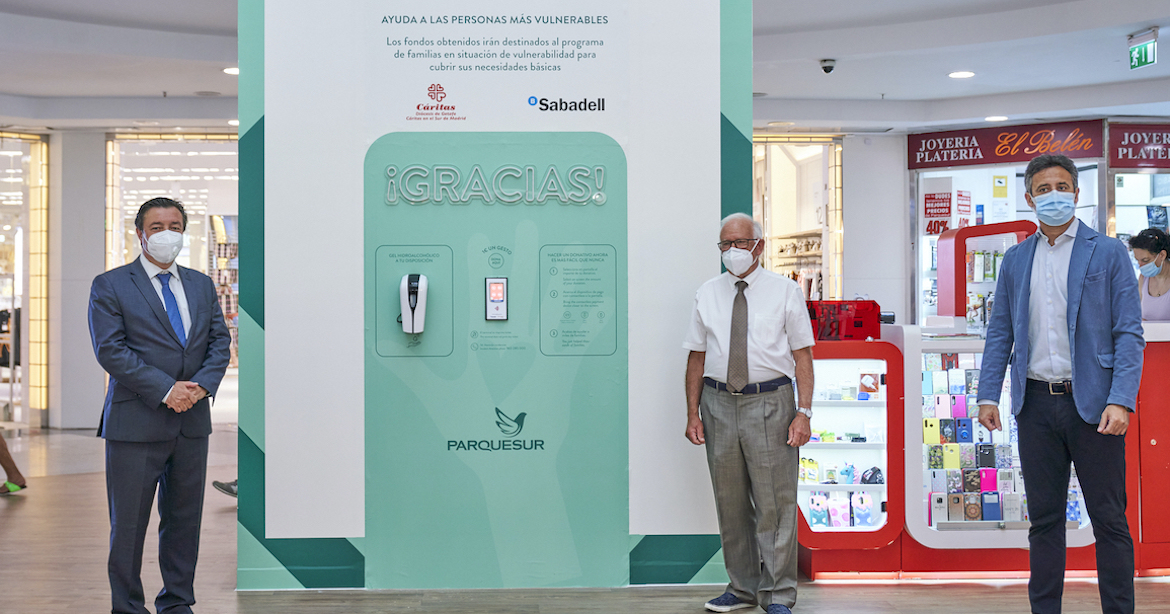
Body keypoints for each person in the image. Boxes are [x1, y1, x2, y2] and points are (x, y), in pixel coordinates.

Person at [977, 154, 1143, 614]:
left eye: (1063, 187)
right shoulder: (1015, 259)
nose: (1055, 195)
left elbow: (1129, 333)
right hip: (1034, 405)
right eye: (1044, 189)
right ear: (1030, 199)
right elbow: (1000, 332)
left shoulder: (1108, 252)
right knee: (1045, 522)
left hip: (1094, 406)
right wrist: (988, 394)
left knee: (1109, 520)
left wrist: (1121, 399)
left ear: (1076, 193)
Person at [89, 197, 231, 614]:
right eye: (157, 227)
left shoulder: (201, 284)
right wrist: (168, 390)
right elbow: (111, 350)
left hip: (191, 424)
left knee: (184, 522)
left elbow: (219, 342)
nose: (167, 234)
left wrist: (200, 388)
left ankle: (177, 602)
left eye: (175, 226)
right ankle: (128, 607)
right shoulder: (111, 285)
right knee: (129, 526)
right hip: (135, 423)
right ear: (140, 233)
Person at [683, 212, 815, 614]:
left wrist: (804, 412)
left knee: (775, 502)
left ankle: (777, 595)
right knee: (731, 502)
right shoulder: (707, 293)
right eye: (725, 244)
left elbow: (803, 357)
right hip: (718, 403)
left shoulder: (785, 292)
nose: (733, 250)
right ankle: (741, 589)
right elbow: (696, 357)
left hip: (771, 402)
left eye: (740, 242)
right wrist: (692, 413)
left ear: (759, 245)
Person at [1127, 228, 1170, 320]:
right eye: (1137, 260)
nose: (1140, 265)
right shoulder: (1143, 279)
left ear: (1162, 255)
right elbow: (1136, 313)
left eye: (1145, 260)